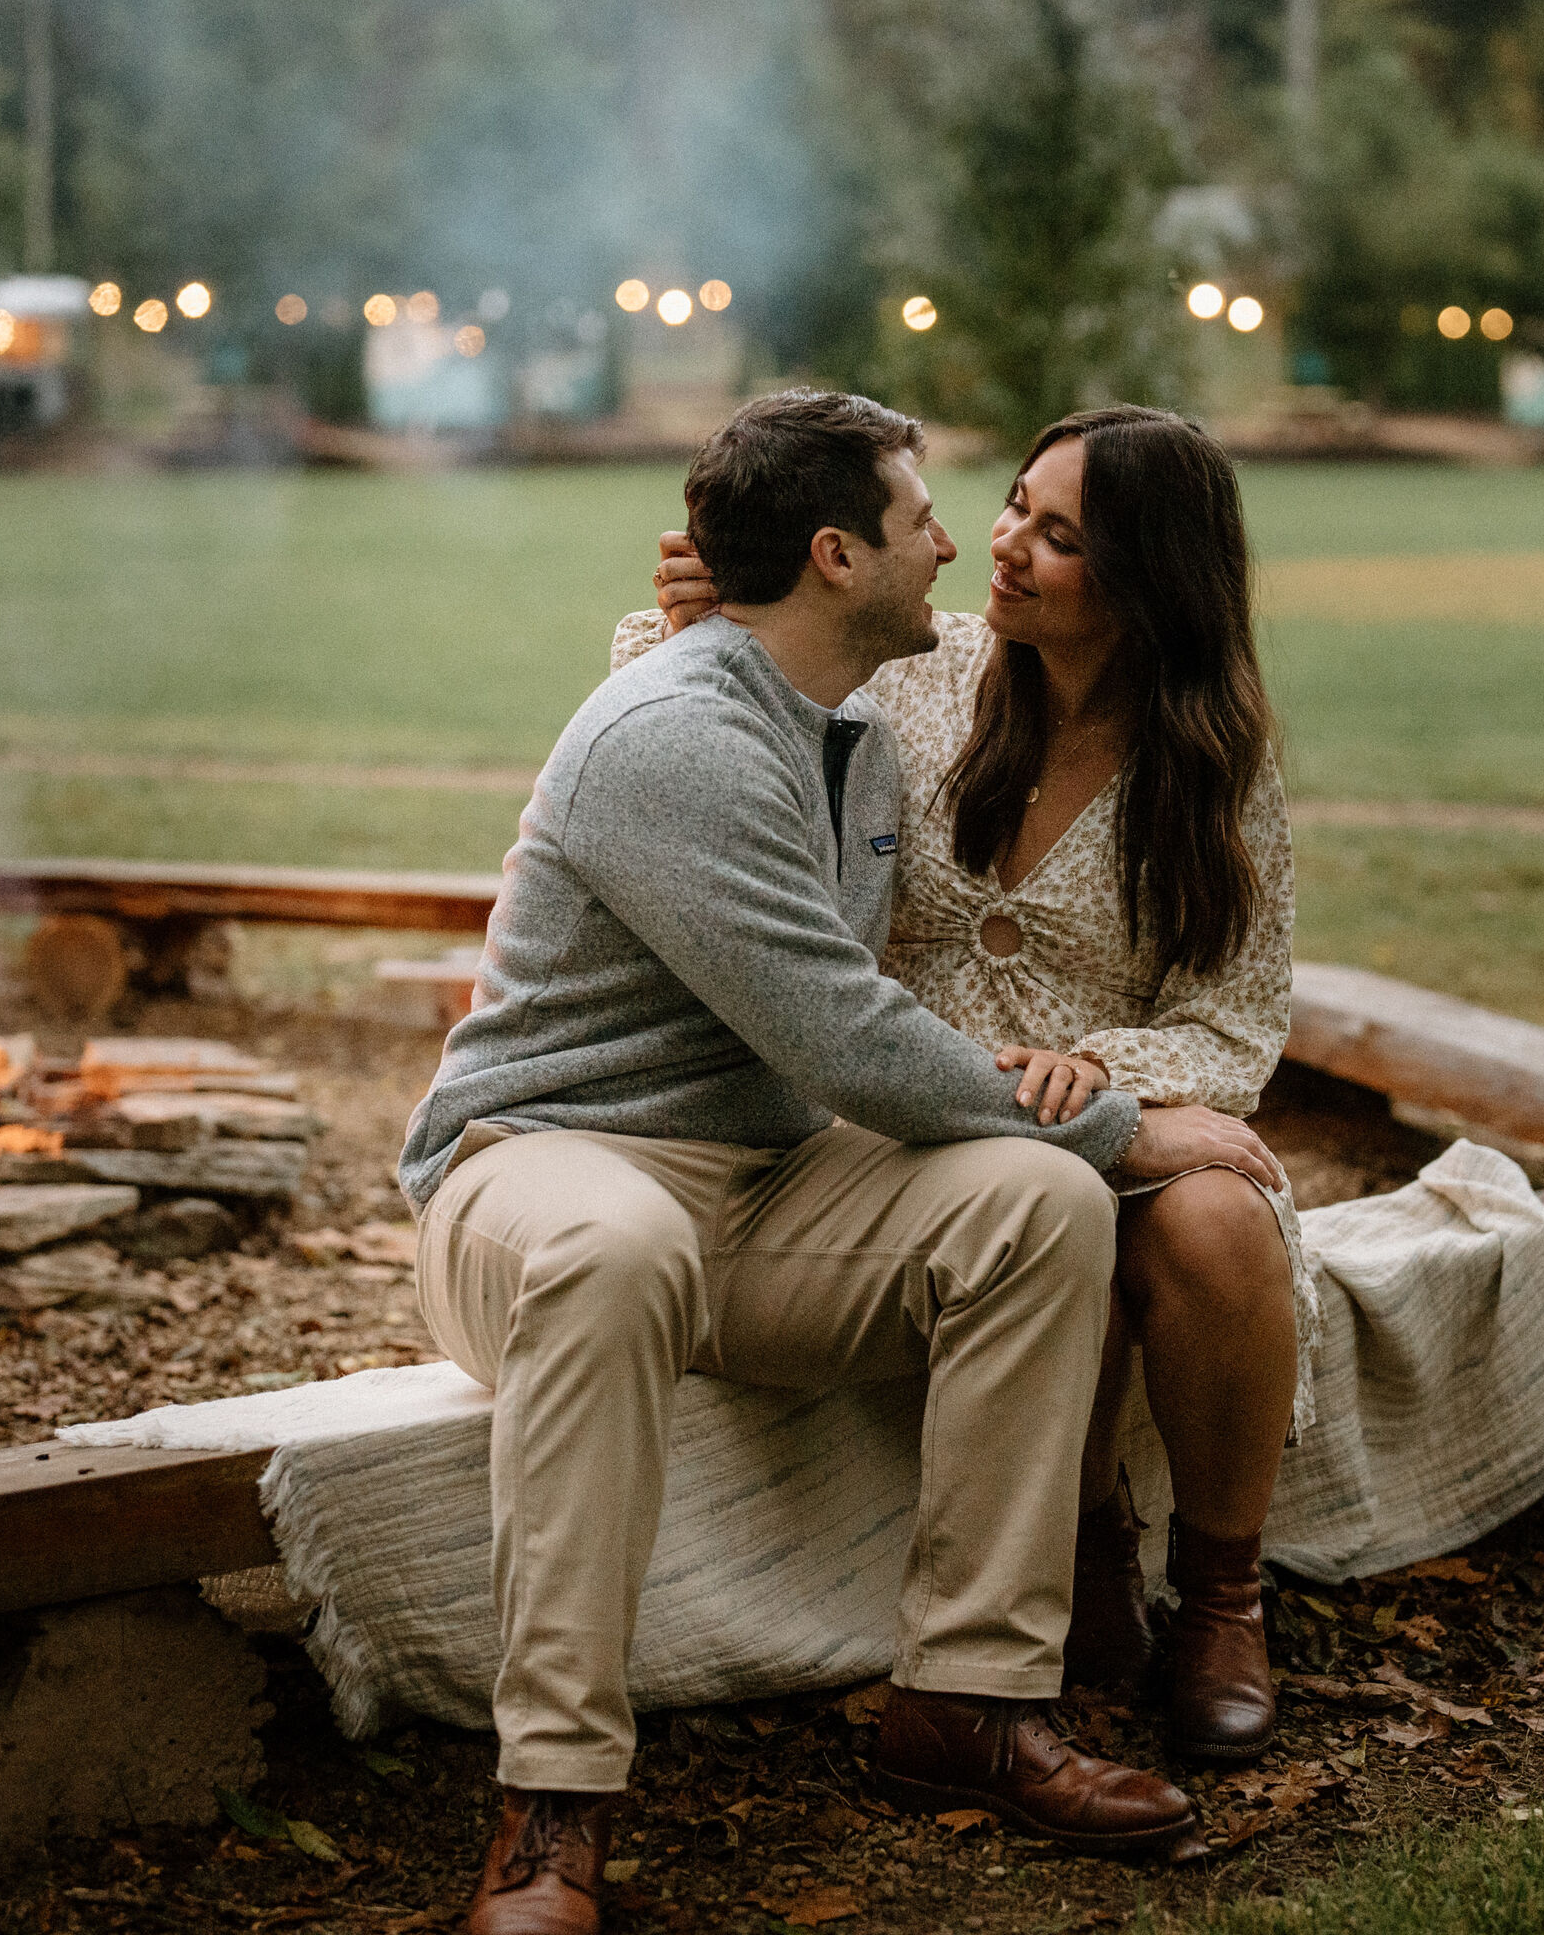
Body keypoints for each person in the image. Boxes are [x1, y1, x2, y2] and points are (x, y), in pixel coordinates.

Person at [402, 391, 1272, 1935]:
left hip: (761, 1189)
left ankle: (972, 1698)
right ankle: (552, 1810)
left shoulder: (861, 729)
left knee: (1034, 1203)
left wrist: (1083, 1128)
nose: (960, 542)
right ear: (833, 556)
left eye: (1022, 521)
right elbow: (842, 1031)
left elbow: (856, 1052)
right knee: (618, 1249)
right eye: (928, 516)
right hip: (544, 1167)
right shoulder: (673, 738)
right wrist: (1130, 1120)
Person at [625, 404, 1306, 1766]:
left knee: (1218, 1222)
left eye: (1059, 536)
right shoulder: (919, 668)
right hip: (899, 1104)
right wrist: (723, 611)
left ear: (1149, 577)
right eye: (1013, 507)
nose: (1002, 546)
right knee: (1046, 1194)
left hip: (1103, 1095)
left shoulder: (1212, 763)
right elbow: (711, 738)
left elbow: (1236, 1020)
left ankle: (1225, 1600)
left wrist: (1098, 1071)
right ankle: (1087, 1551)